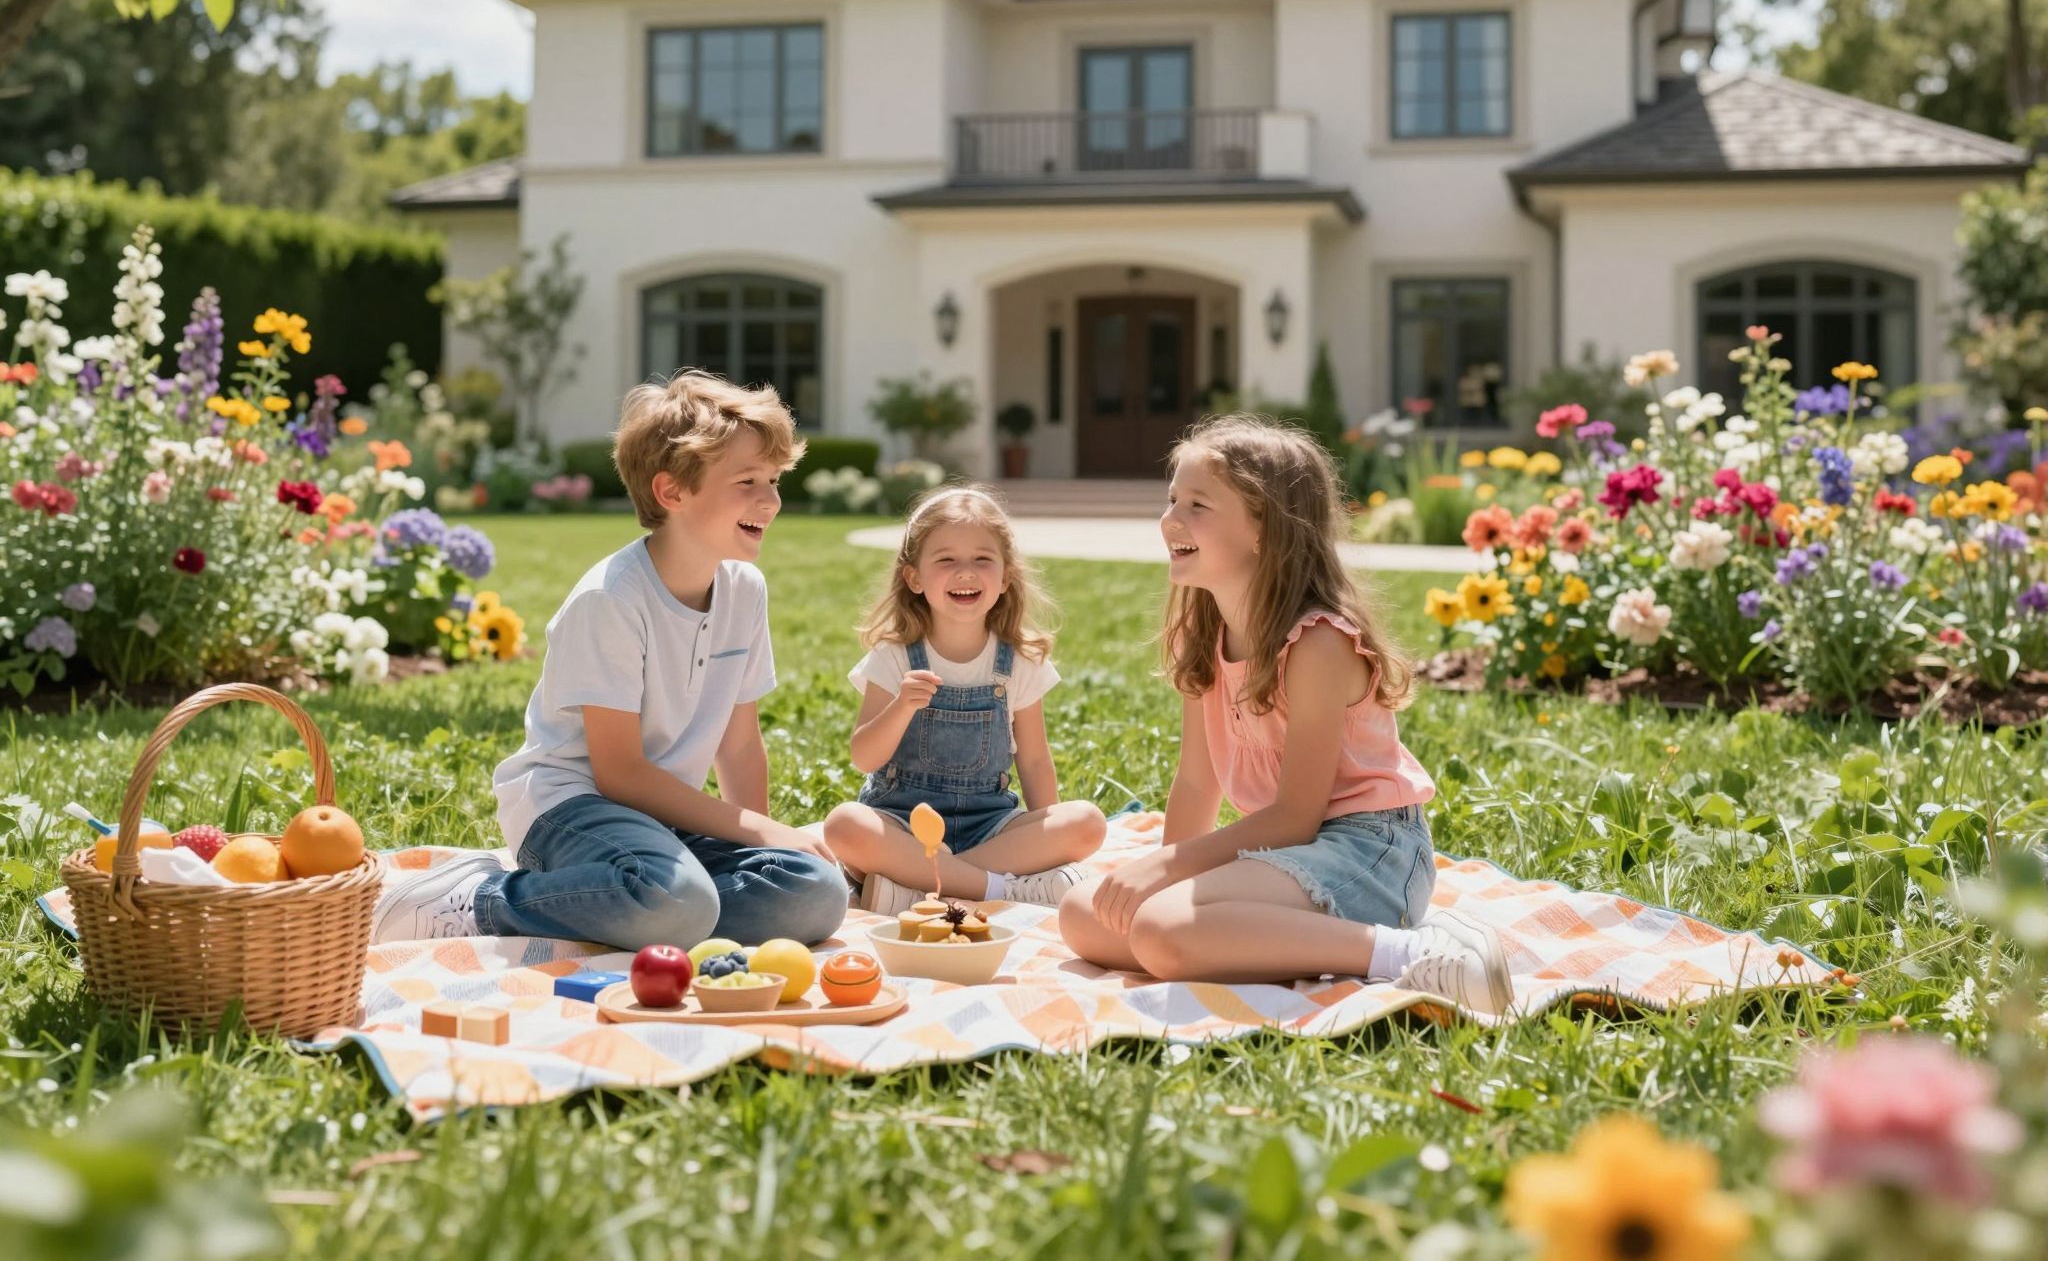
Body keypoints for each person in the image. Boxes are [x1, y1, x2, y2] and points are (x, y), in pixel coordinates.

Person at [372, 370, 848, 950]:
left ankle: (640, 906)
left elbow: (740, 744)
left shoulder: (745, 589)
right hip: (571, 807)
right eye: (747, 480)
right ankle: (481, 900)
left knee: (817, 892)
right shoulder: (611, 599)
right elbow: (618, 773)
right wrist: (757, 829)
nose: (770, 499)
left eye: (773, 479)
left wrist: (764, 844)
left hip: (664, 819)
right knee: (677, 901)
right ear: (671, 492)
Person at [1056, 415, 1515, 1015]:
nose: (1171, 520)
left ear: (1264, 530)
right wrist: (1162, 882)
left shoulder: (1318, 644)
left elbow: (1298, 816)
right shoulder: (1205, 634)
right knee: (1084, 916)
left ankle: (1408, 952)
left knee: (1162, 931)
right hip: (1284, 856)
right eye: (1172, 499)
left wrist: (1168, 881)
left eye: (1198, 505)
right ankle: (1225, 940)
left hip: (1369, 853)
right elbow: (1197, 783)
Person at [823, 486, 1105, 913]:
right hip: (902, 822)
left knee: (1085, 823)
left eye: (982, 559)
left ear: (1006, 576)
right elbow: (864, 757)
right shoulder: (893, 655)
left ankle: (918, 890)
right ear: (914, 577)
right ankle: (999, 890)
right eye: (946, 559)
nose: (966, 572)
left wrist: (1047, 841)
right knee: (844, 825)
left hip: (988, 826)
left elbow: (1033, 760)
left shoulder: (1019, 662)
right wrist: (901, 706)